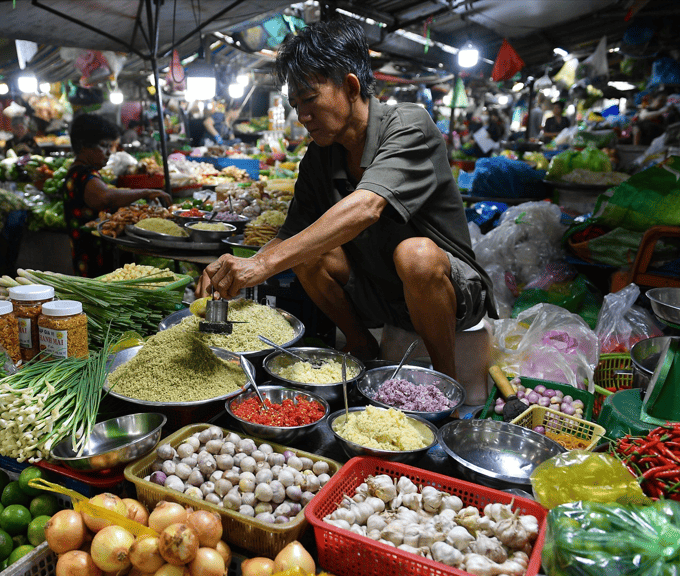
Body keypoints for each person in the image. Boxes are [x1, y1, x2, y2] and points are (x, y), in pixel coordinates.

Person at [196, 19, 495, 377]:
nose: (302, 116)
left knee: (415, 255)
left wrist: (263, 266)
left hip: (451, 294)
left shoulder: (409, 126)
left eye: (310, 99)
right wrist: (240, 266)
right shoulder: (319, 156)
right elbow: (291, 236)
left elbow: (366, 207)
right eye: (295, 104)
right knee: (305, 250)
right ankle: (360, 344)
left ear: (351, 87)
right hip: (381, 293)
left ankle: (446, 382)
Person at [63, 114, 172, 275]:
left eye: (110, 146)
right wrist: (145, 192)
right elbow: (105, 197)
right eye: (103, 146)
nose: (109, 153)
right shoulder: (82, 174)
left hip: (95, 256)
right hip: (93, 259)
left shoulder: (82, 172)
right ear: (83, 146)